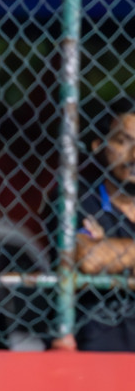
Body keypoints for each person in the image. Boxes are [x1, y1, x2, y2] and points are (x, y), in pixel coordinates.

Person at [43, 96, 135, 351]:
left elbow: (101, 256)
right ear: (99, 145)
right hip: (94, 357)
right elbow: (89, 257)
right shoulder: (76, 197)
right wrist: (101, 252)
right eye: (123, 142)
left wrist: (114, 252)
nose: (134, 155)